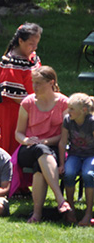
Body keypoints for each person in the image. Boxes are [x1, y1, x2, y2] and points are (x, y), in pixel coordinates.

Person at [15, 66, 71, 224]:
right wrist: (26, 140)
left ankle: (37, 214)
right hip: (28, 148)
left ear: (51, 82)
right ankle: (60, 199)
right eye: (33, 83)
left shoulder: (63, 103)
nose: (34, 87)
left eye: (39, 83)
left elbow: (65, 134)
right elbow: (18, 133)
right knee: (39, 150)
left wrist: (45, 141)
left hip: (53, 149)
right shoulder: (28, 102)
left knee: (39, 165)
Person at [0, 23, 42, 155]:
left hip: (30, 108)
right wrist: (36, 107)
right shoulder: (11, 63)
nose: (34, 47)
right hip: (14, 112)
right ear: (20, 41)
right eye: (31, 44)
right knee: (12, 146)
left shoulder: (32, 57)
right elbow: (15, 97)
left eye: (36, 44)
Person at [58, 93, 94, 226]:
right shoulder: (68, 120)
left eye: (72, 108)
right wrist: (62, 163)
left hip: (91, 155)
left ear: (83, 110)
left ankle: (88, 212)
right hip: (74, 154)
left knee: (88, 174)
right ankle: (70, 209)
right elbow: (62, 143)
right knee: (69, 173)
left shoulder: (91, 122)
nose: (69, 111)